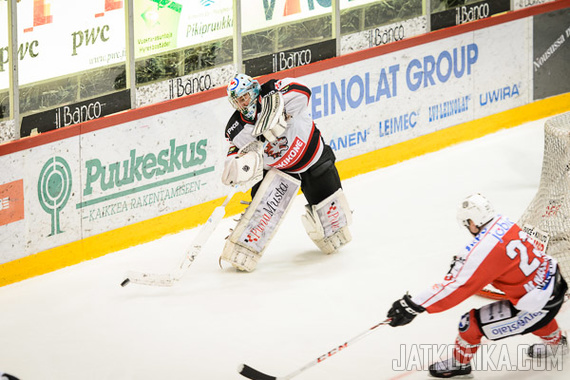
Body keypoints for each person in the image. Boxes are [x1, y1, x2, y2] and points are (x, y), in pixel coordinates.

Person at [386, 193, 568, 378]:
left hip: (537, 303)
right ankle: (557, 344)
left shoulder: (483, 249)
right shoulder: (504, 222)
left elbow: (455, 286)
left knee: (470, 324)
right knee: (534, 314)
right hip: (555, 285)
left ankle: (459, 366)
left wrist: (414, 305)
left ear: (472, 222)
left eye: (467, 224)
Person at [219, 73, 352, 272]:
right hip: (279, 172)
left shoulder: (276, 89)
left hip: (311, 155)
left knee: (333, 232)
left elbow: (303, 92)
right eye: (237, 100)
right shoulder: (236, 129)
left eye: (244, 96)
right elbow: (234, 155)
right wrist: (236, 166)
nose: (242, 102)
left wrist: (277, 114)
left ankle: (329, 229)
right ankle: (244, 248)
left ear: (254, 90)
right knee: (262, 207)